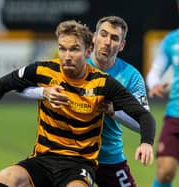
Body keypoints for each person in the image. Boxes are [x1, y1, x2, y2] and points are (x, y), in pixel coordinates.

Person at [0, 20, 156, 187]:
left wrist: (145, 142)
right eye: (62, 48)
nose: (67, 56)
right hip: (45, 158)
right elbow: (4, 84)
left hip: (83, 163)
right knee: (7, 177)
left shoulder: (104, 82)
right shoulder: (45, 71)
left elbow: (144, 116)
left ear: (88, 51)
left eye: (74, 49)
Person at [21, 16, 149, 187]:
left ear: (122, 45)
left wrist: (114, 111)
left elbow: (143, 122)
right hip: (71, 157)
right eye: (103, 35)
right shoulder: (73, 62)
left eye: (114, 38)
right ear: (94, 37)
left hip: (109, 158)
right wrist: (44, 92)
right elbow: (20, 86)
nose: (107, 42)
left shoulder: (132, 77)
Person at [146, 3, 179, 186]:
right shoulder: (171, 40)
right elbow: (154, 71)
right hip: (175, 115)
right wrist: (154, 84)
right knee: (165, 172)